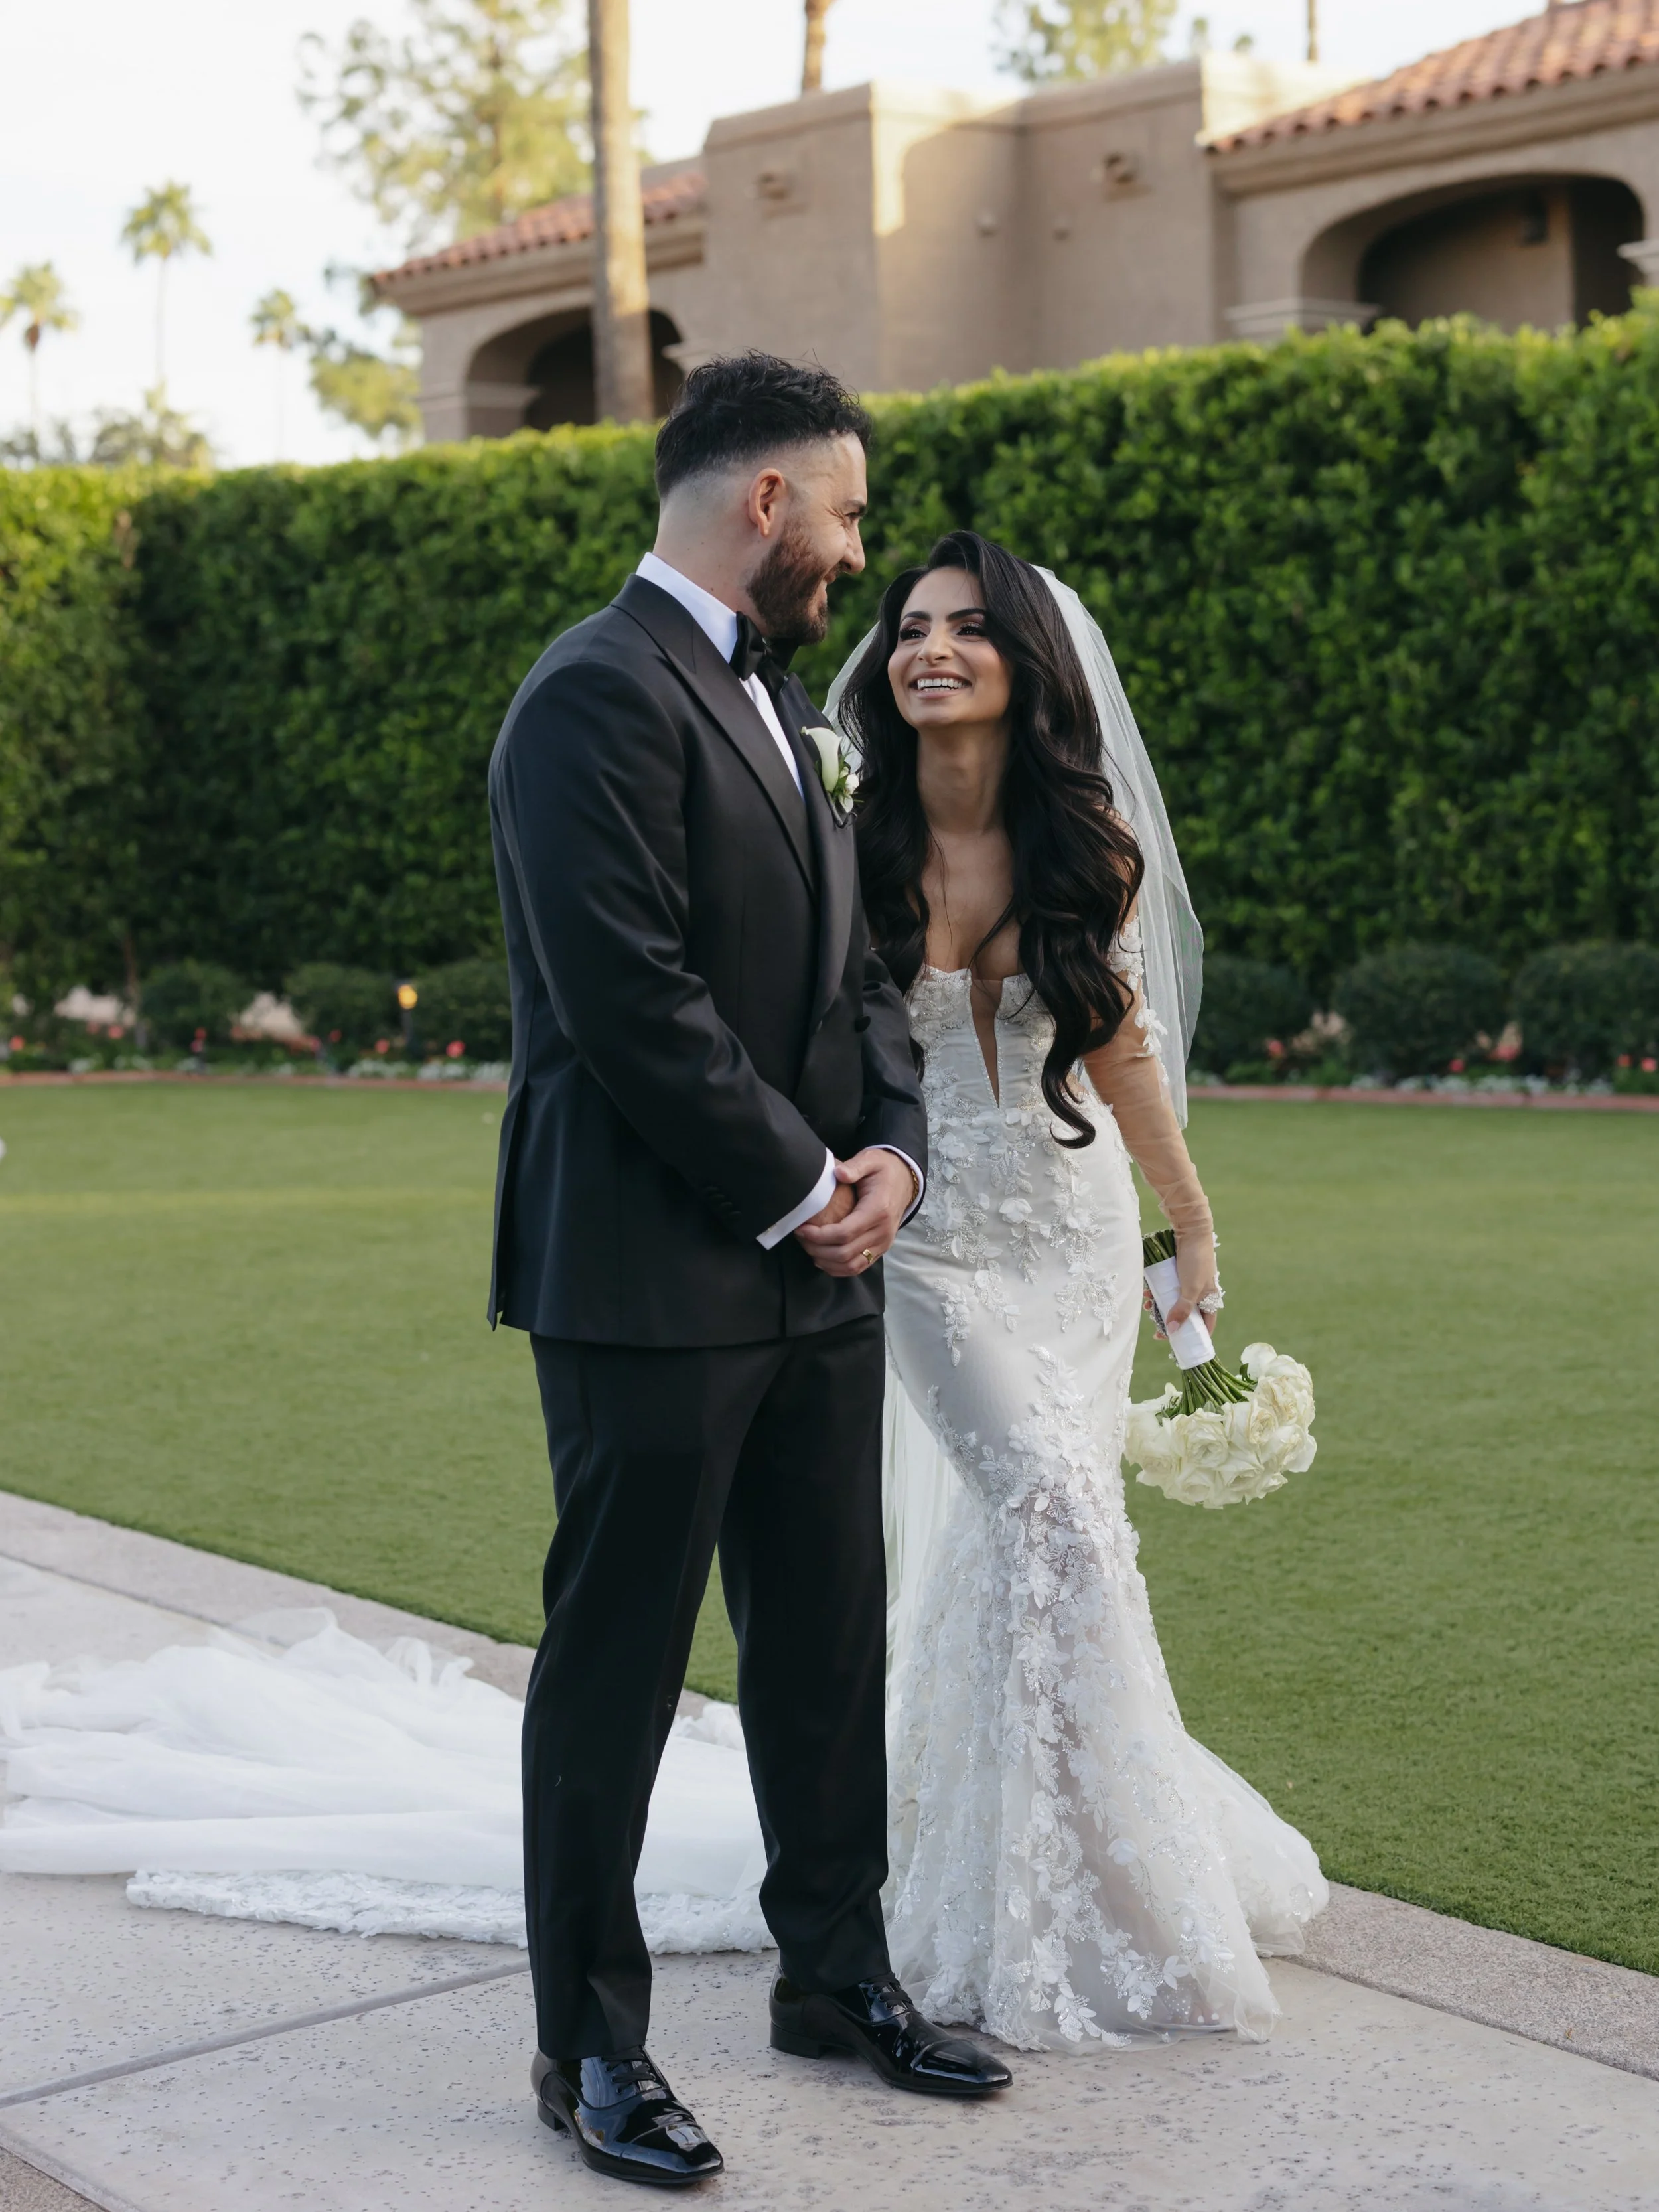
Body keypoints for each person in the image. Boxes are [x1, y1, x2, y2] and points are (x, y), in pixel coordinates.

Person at [486, 360, 1011, 2184]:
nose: (857, 549)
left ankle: (834, 1976)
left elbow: (863, 975)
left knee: (818, 1643)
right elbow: (630, 1001)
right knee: (616, 1666)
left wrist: (891, 1153)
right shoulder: (586, 696)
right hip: (642, 1272)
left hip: (819, 1265)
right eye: (849, 512)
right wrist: (802, 1187)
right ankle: (585, 2049)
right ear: (766, 504)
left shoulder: (790, 708)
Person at [826, 530, 1327, 2053]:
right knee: (1049, 1508)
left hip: (1071, 1225)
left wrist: (1186, 1216)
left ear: (1020, 662)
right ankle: (1055, 1876)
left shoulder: (1080, 842)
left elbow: (1120, 1049)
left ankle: (1048, 1847)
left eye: (967, 629)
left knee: (1031, 1539)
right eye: (911, 626)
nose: (929, 648)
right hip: (925, 1231)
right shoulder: (847, 831)